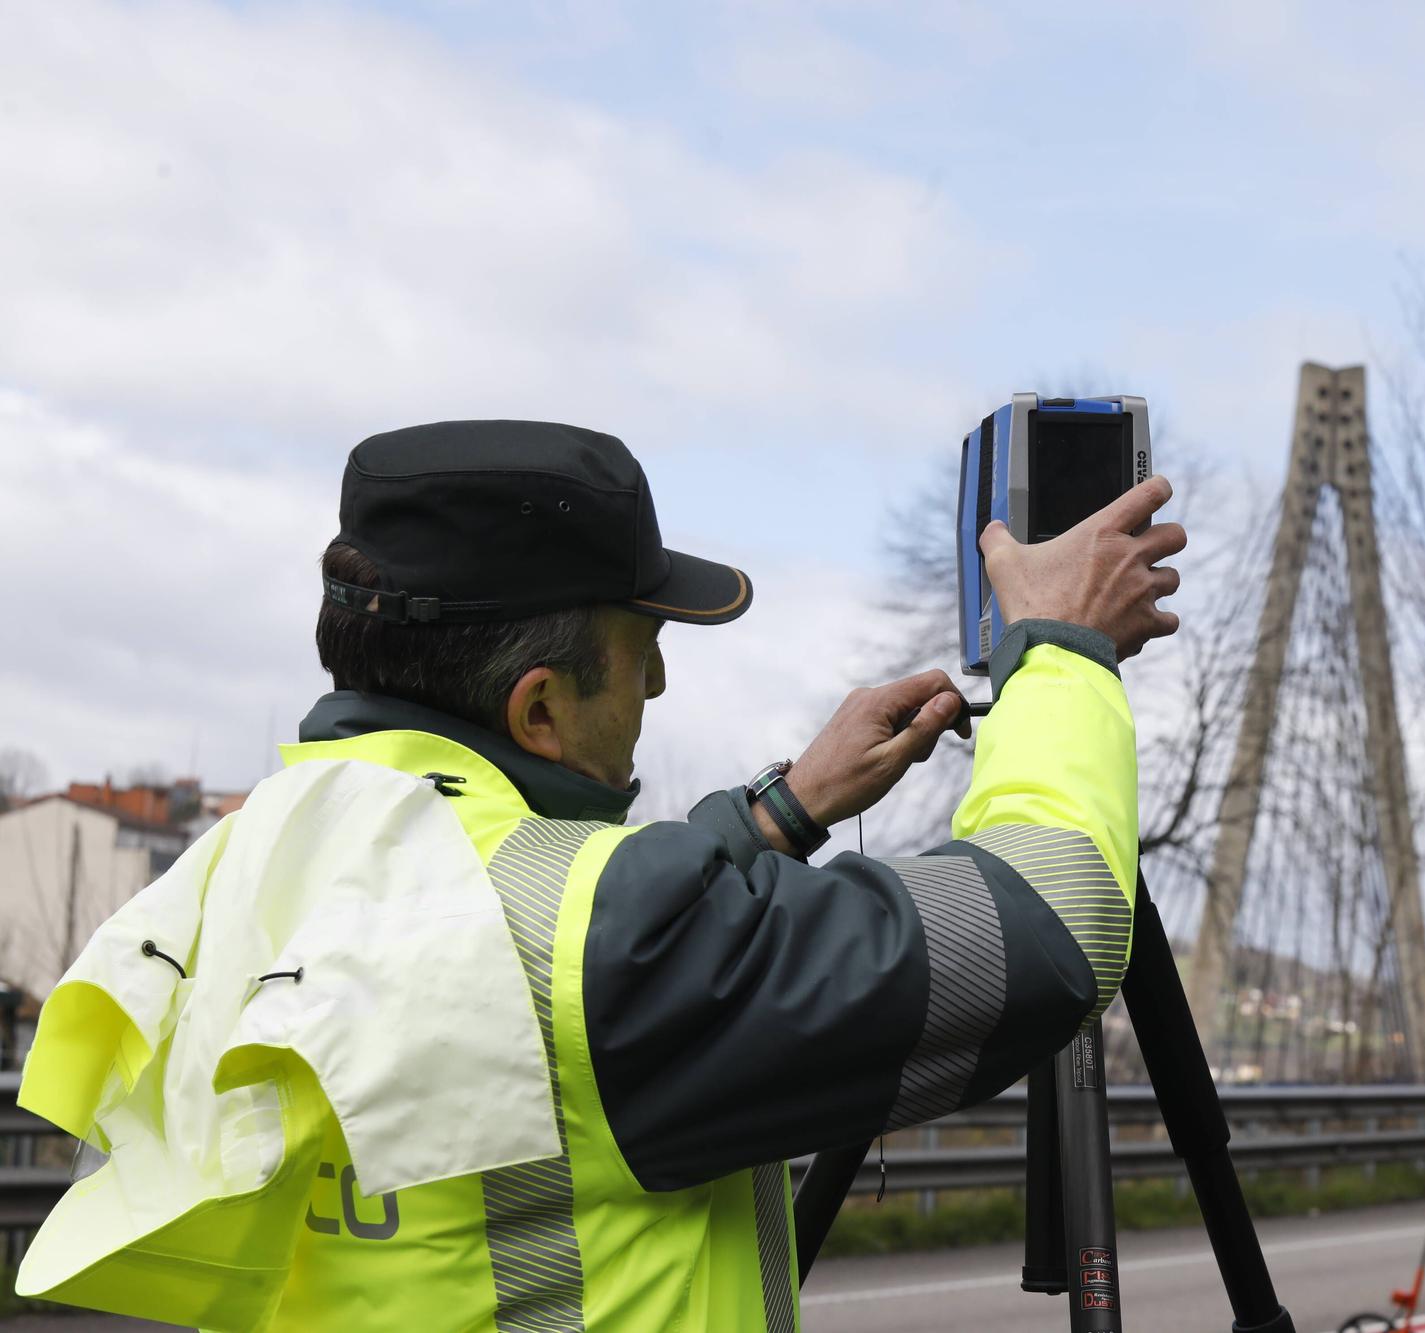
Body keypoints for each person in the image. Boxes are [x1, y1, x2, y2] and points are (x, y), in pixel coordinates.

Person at [13, 419, 1185, 1331]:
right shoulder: (598, 941)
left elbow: (563, 947)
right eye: (641, 651)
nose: (660, 688)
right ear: (538, 705)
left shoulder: (237, 871)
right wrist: (1063, 655)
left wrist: (775, 816)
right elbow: (1054, 921)